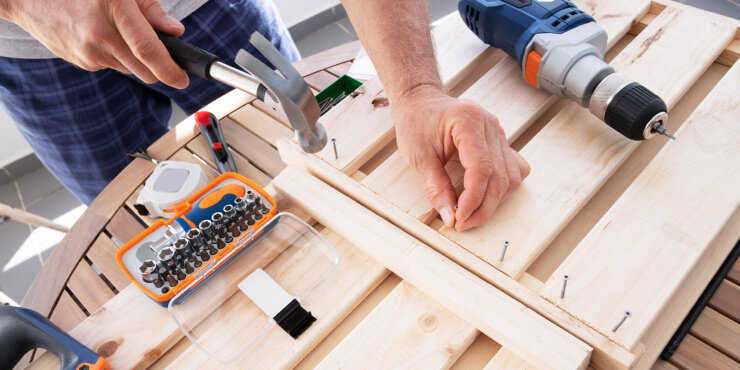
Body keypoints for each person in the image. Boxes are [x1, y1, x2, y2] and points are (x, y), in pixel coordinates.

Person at [0, 0, 529, 231]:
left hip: (203, 6)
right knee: (134, 211)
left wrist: (416, 90)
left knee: (287, 121)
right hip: (35, 49)